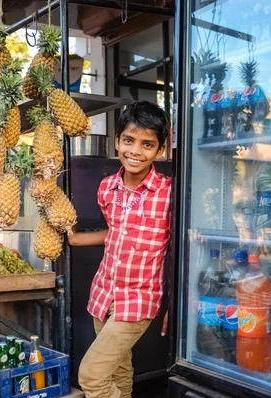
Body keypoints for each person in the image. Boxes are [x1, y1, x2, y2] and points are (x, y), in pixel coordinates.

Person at [68, 101, 171, 398]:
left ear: (159, 150)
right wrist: (76, 239)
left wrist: (173, 304)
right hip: (104, 292)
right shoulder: (107, 188)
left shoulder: (169, 193)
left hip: (139, 299)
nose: (135, 151)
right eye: (128, 140)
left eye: (147, 144)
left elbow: (177, 250)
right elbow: (116, 232)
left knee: (92, 376)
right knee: (119, 372)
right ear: (117, 142)